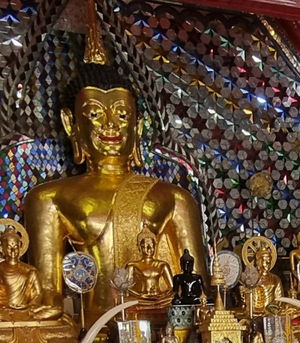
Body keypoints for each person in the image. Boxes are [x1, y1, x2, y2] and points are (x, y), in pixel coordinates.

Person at [24, 62, 205, 323]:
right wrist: (47, 307)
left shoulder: (175, 197)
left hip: (164, 325)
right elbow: (48, 298)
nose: (110, 125)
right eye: (95, 114)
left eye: (122, 115)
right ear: (70, 123)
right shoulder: (49, 198)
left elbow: (198, 293)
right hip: (95, 330)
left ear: (138, 126)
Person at [0, 225, 59, 319]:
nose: (13, 250)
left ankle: (25, 317)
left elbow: (38, 294)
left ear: (20, 247)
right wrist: (6, 306)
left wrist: (28, 306)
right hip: (6, 311)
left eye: (15, 247)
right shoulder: (1, 268)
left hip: (27, 310)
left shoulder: (30, 270)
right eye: (9, 247)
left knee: (57, 310)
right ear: (2, 248)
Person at [125, 226, 173, 306]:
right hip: (141, 298)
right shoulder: (132, 265)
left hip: (160, 298)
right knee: (127, 300)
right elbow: (126, 288)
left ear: (155, 246)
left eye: (152, 245)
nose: (149, 249)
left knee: (173, 299)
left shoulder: (162, 265)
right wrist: (141, 295)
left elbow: (172, 287)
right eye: (145, 246)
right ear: (139, 247)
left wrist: (162, 295)